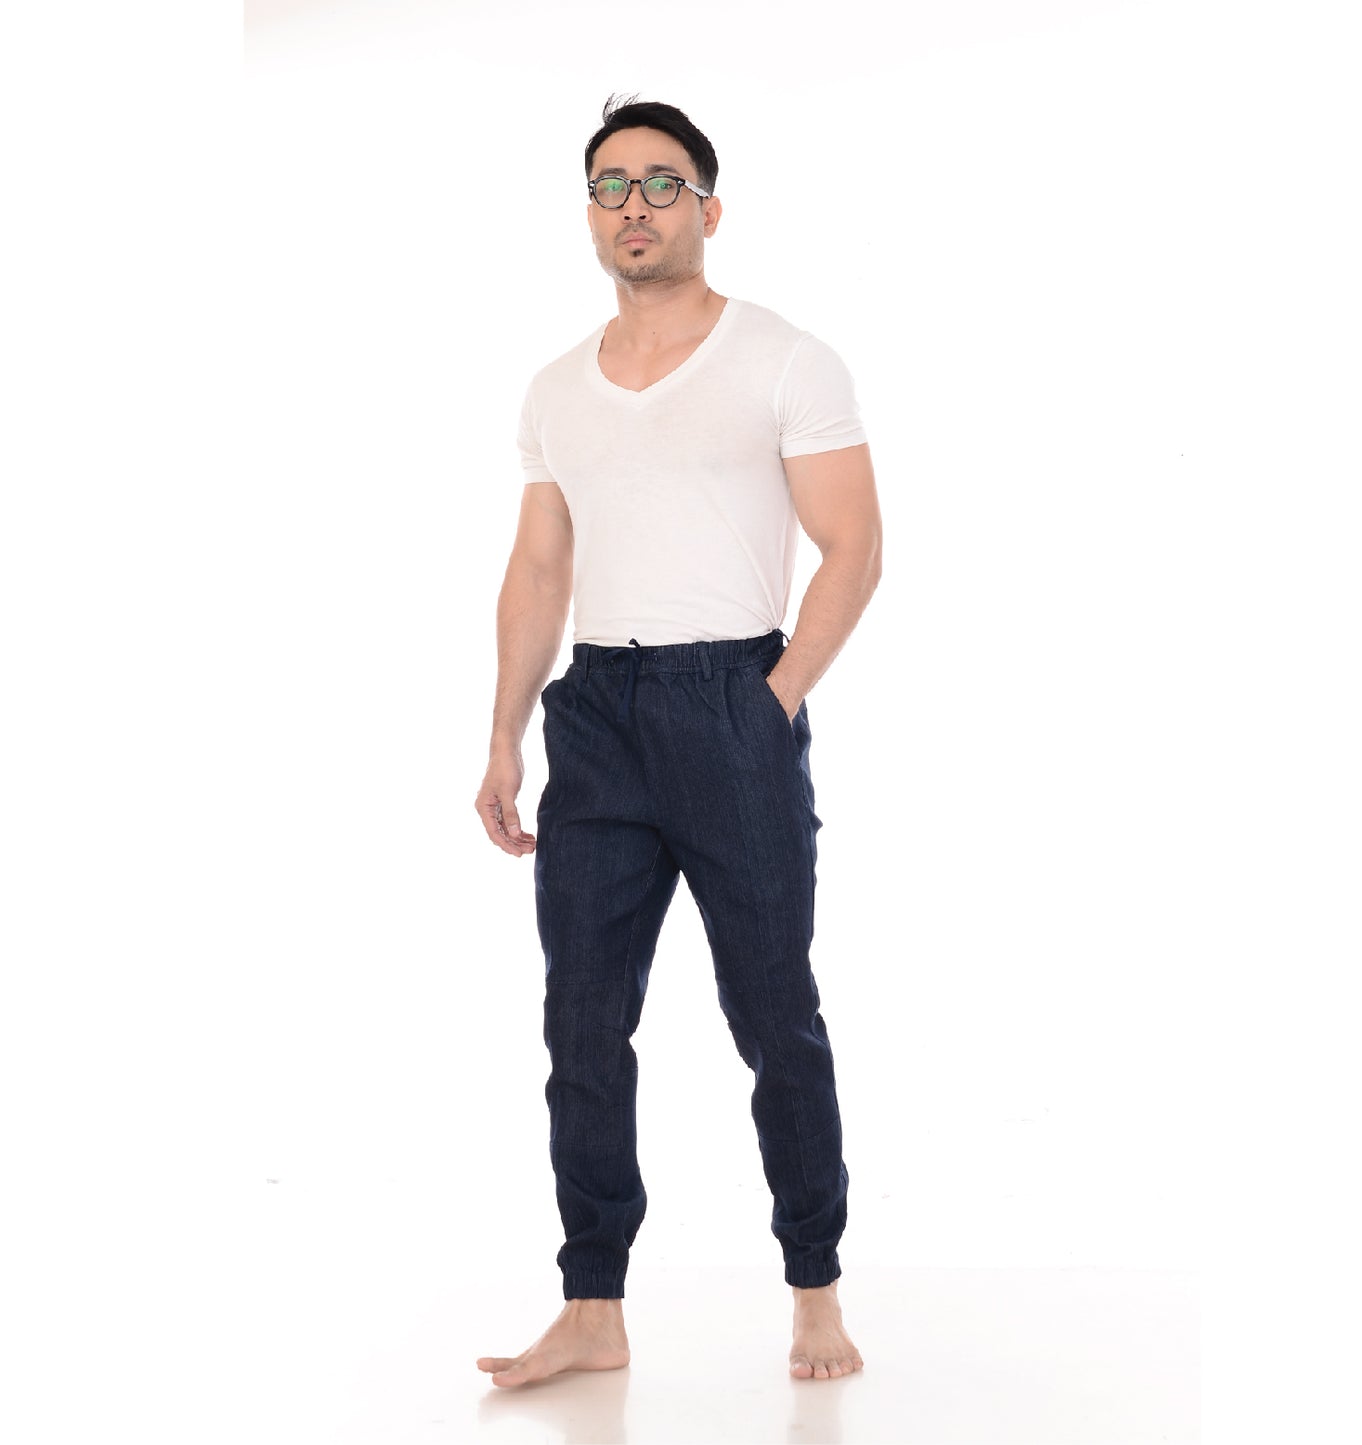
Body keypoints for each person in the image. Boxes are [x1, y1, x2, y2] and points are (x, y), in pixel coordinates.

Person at [473, 95, 882, 1387]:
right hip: (596, 712)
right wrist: (503, 737)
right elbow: (540, 568)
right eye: (611, 186)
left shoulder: (784, 358)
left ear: (709, 207)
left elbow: (853, 547)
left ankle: (814, 1289)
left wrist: (772, 701)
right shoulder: (555, 388)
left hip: (729, 699)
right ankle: (592, 1305)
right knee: (582, 1022)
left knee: (773, 1011)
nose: (634, 205)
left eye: (661, 182)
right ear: (590, 215)